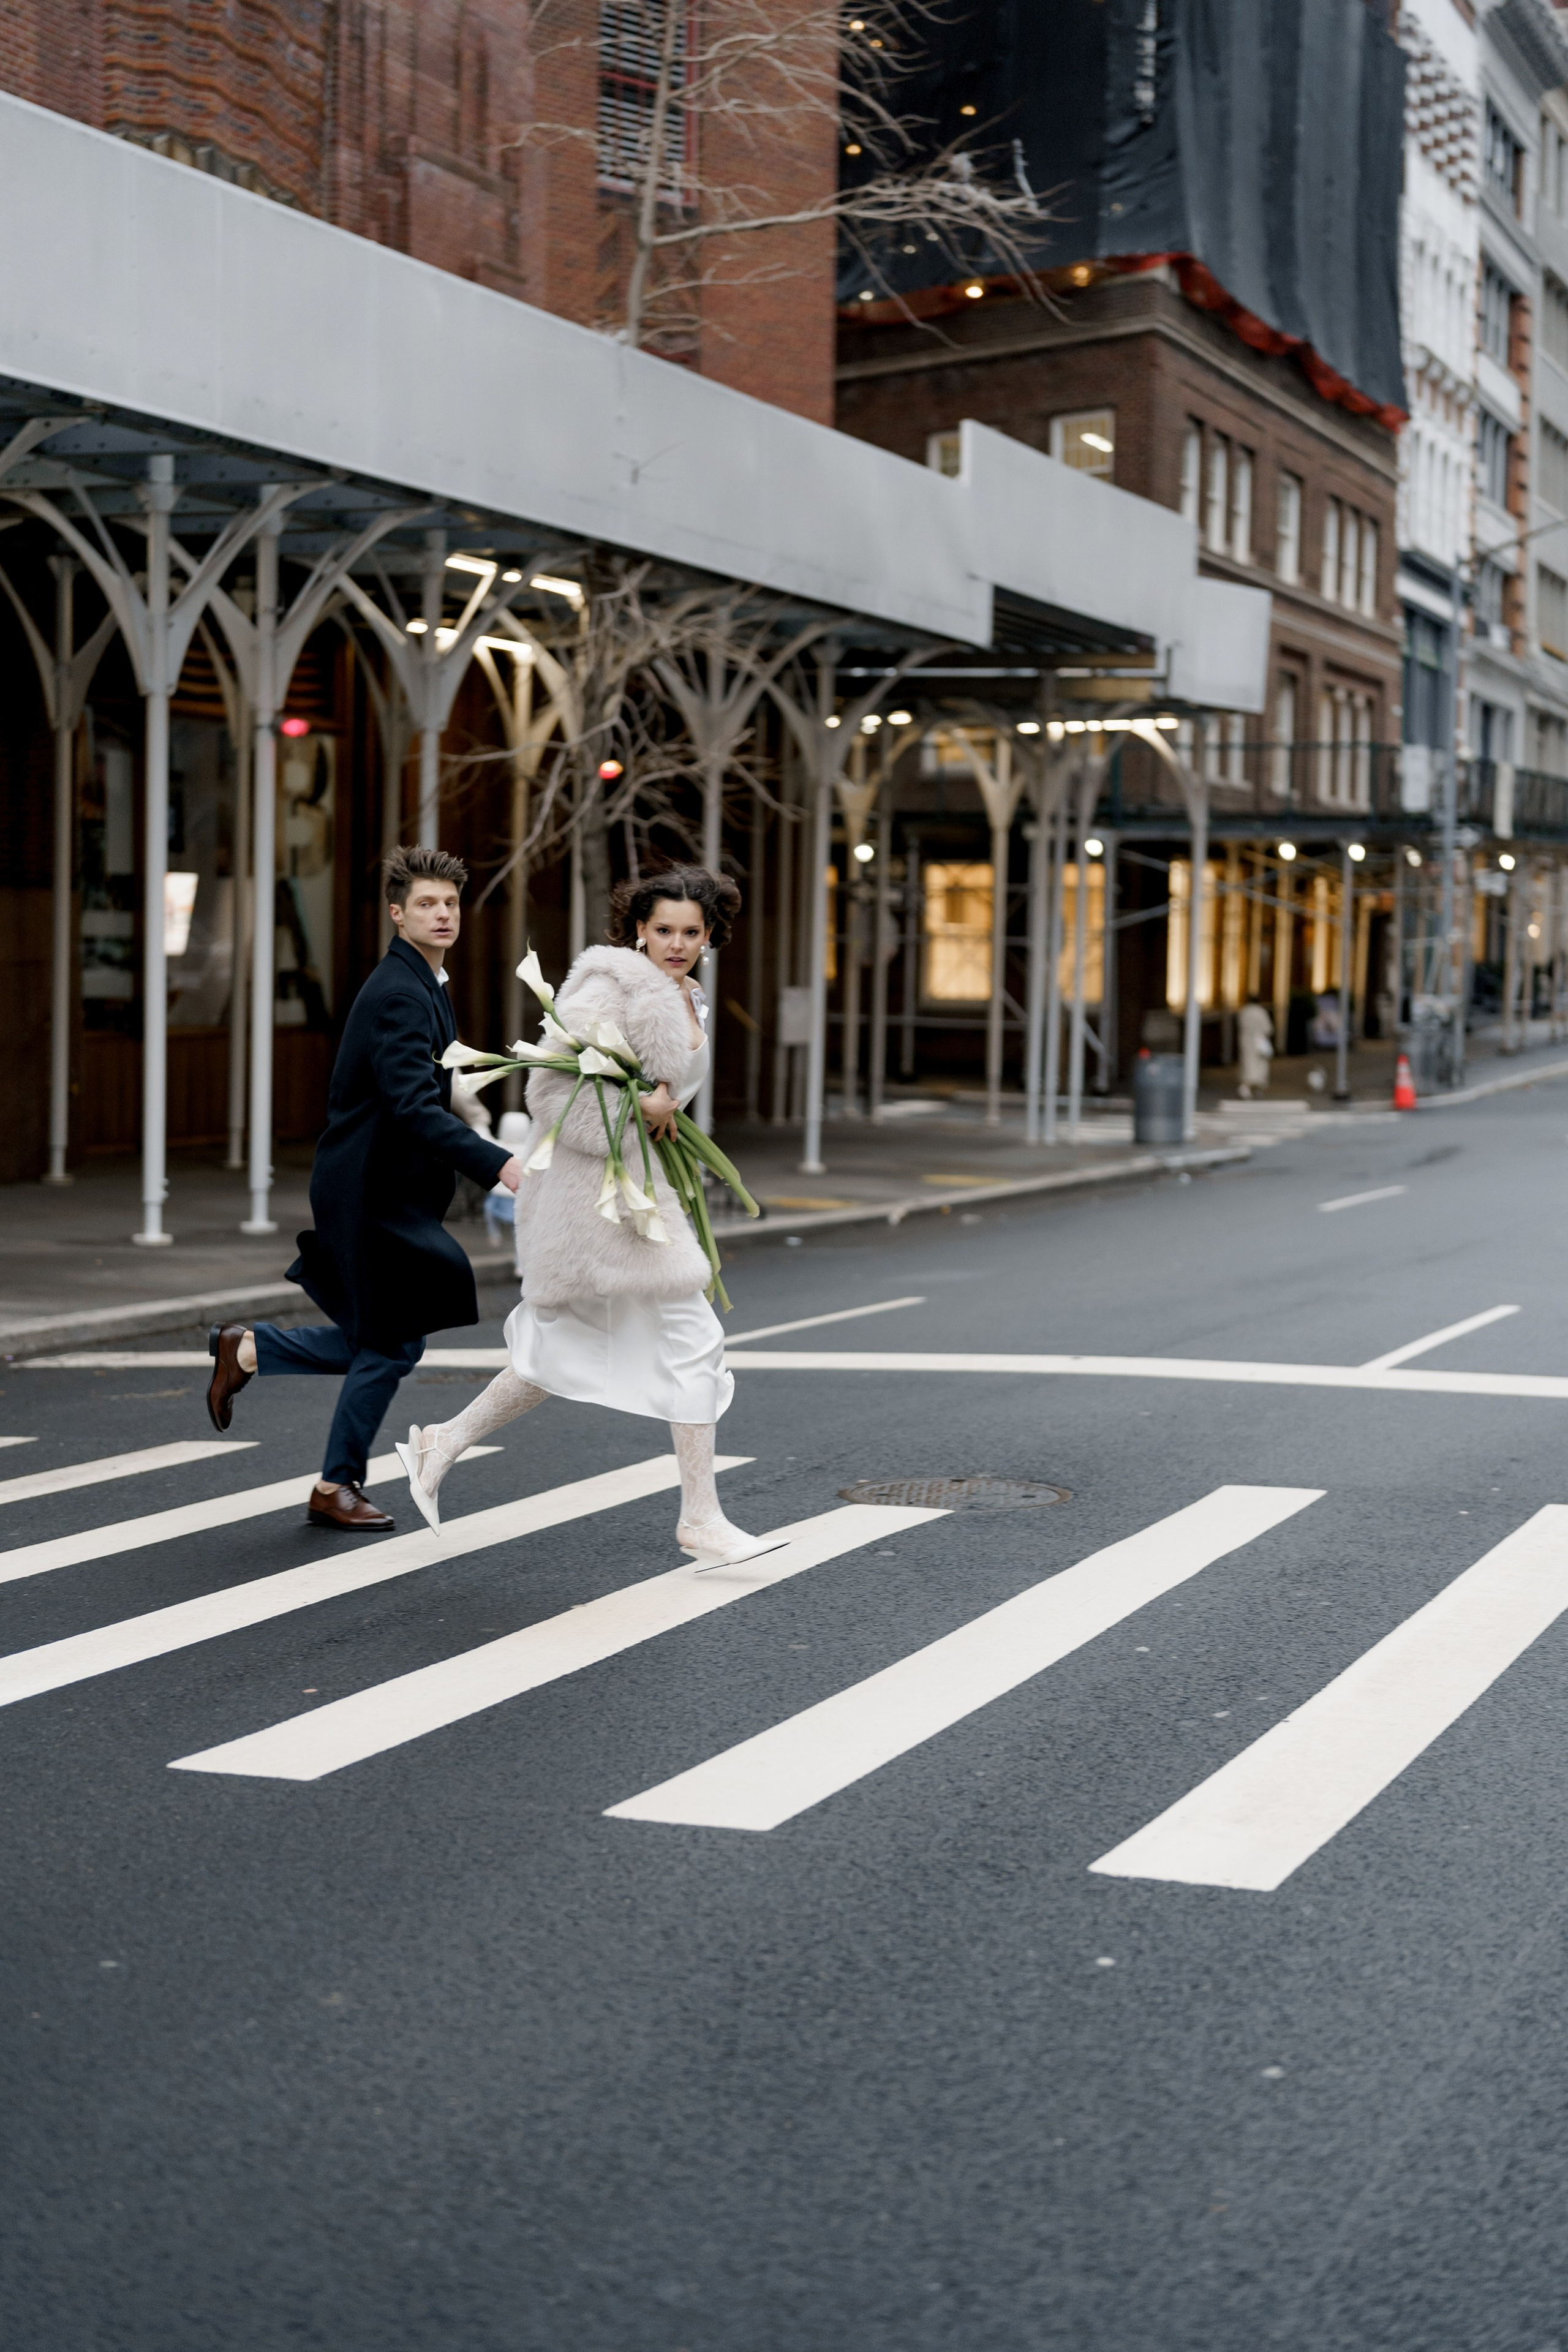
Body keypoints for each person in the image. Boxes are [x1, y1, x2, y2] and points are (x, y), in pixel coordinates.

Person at [397, 864, 780, 1571]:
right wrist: (643, 1107)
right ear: (637, 927)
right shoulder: (607, 987)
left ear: (709, 936)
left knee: (559, 1350)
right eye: (662, 929)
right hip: (597, 1199)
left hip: (635, 1194)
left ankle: (441, 1443)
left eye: (690, 932)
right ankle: (700, 1519)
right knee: (692, 1340)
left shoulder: (689, 996)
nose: (675, 943)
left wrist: (656, 1116)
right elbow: (551, 1094)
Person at [204, 846, 522, 1529]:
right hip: (372, 1190)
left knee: (388, 1340)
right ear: (397, 912)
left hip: (390, 1187)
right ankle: (334, 1486)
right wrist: (499, 1162)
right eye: (427, 904)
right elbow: (412, 1105)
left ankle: (250, 1348)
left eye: (450, 904)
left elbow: (425, 1090)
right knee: (390, 1342)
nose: (442, 915)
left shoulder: (425, 981)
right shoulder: (401, 993)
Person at [1237, 997, 1273, 1098]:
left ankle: (1246, 1086)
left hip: (1246, 1040)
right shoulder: (1261, 1012)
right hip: (1259, 1040)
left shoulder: (1244, 1011)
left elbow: (1240, 1024)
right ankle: (1258, 1087)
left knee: (1247, 1063)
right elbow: (1268, 1028)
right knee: (1260, 1064)